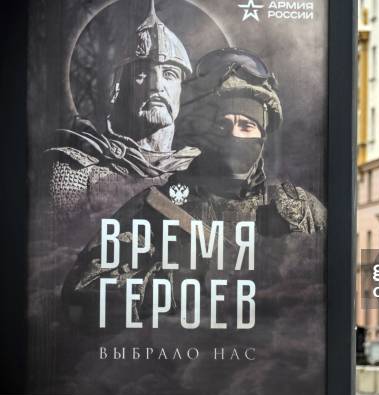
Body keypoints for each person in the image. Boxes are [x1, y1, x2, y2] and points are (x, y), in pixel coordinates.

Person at [61, 48, 327, 324]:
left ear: (262, 137)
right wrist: (174, 282)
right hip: (181, 361)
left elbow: (330, 301)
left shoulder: (298, 210)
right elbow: (82, 298)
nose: (234, 137)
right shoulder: (155, 210)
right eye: (221, 127)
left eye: (247, 127)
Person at [48, 0, 200, 218]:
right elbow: (57, 248)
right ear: (121, 87)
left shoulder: (199, 170)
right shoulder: (79, 171)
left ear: (181, 89)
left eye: (169, 75)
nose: (156, 86)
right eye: (142, 74)